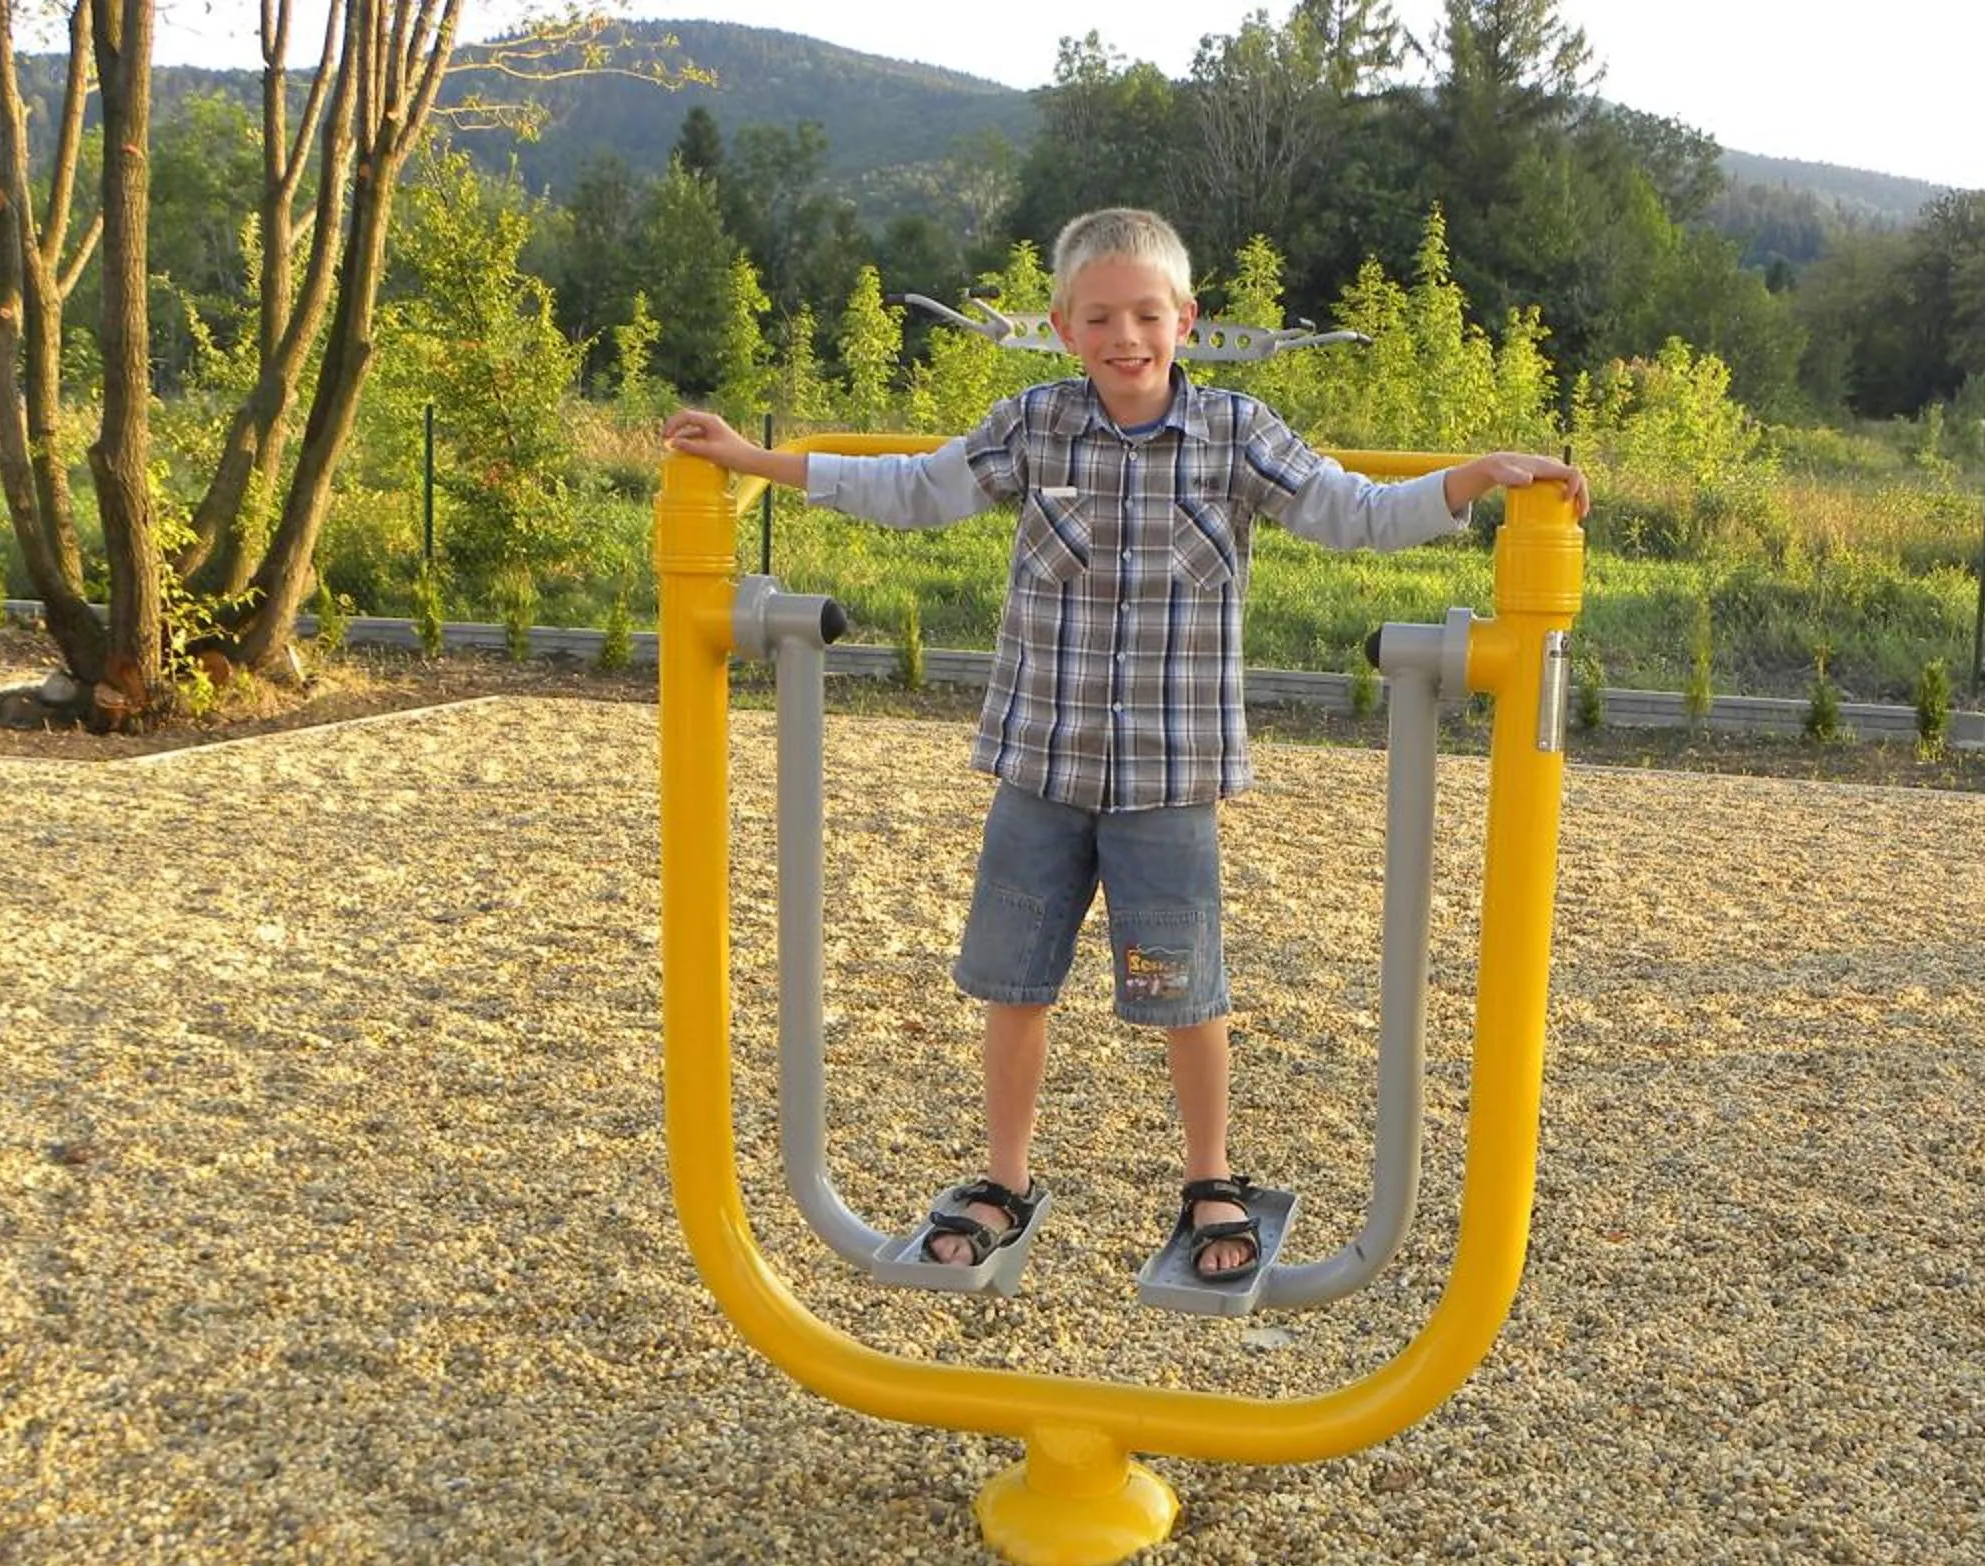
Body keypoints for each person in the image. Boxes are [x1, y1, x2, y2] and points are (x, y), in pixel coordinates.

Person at [662, 207, 1589, 1282]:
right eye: (1099, 317)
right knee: (1015, 982)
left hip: (1166, 780)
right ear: (1063, 327)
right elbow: (916, 488)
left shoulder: (1236, 433)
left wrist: (1473, 478)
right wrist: (755, 461)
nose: (1125, 337)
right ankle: (1003, 1176)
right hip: (1041, 764)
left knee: (1185, 989)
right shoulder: (1036, 425)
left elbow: (1353, 511)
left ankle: (1210, 1176)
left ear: (1186, 321)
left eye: (1147, 314)